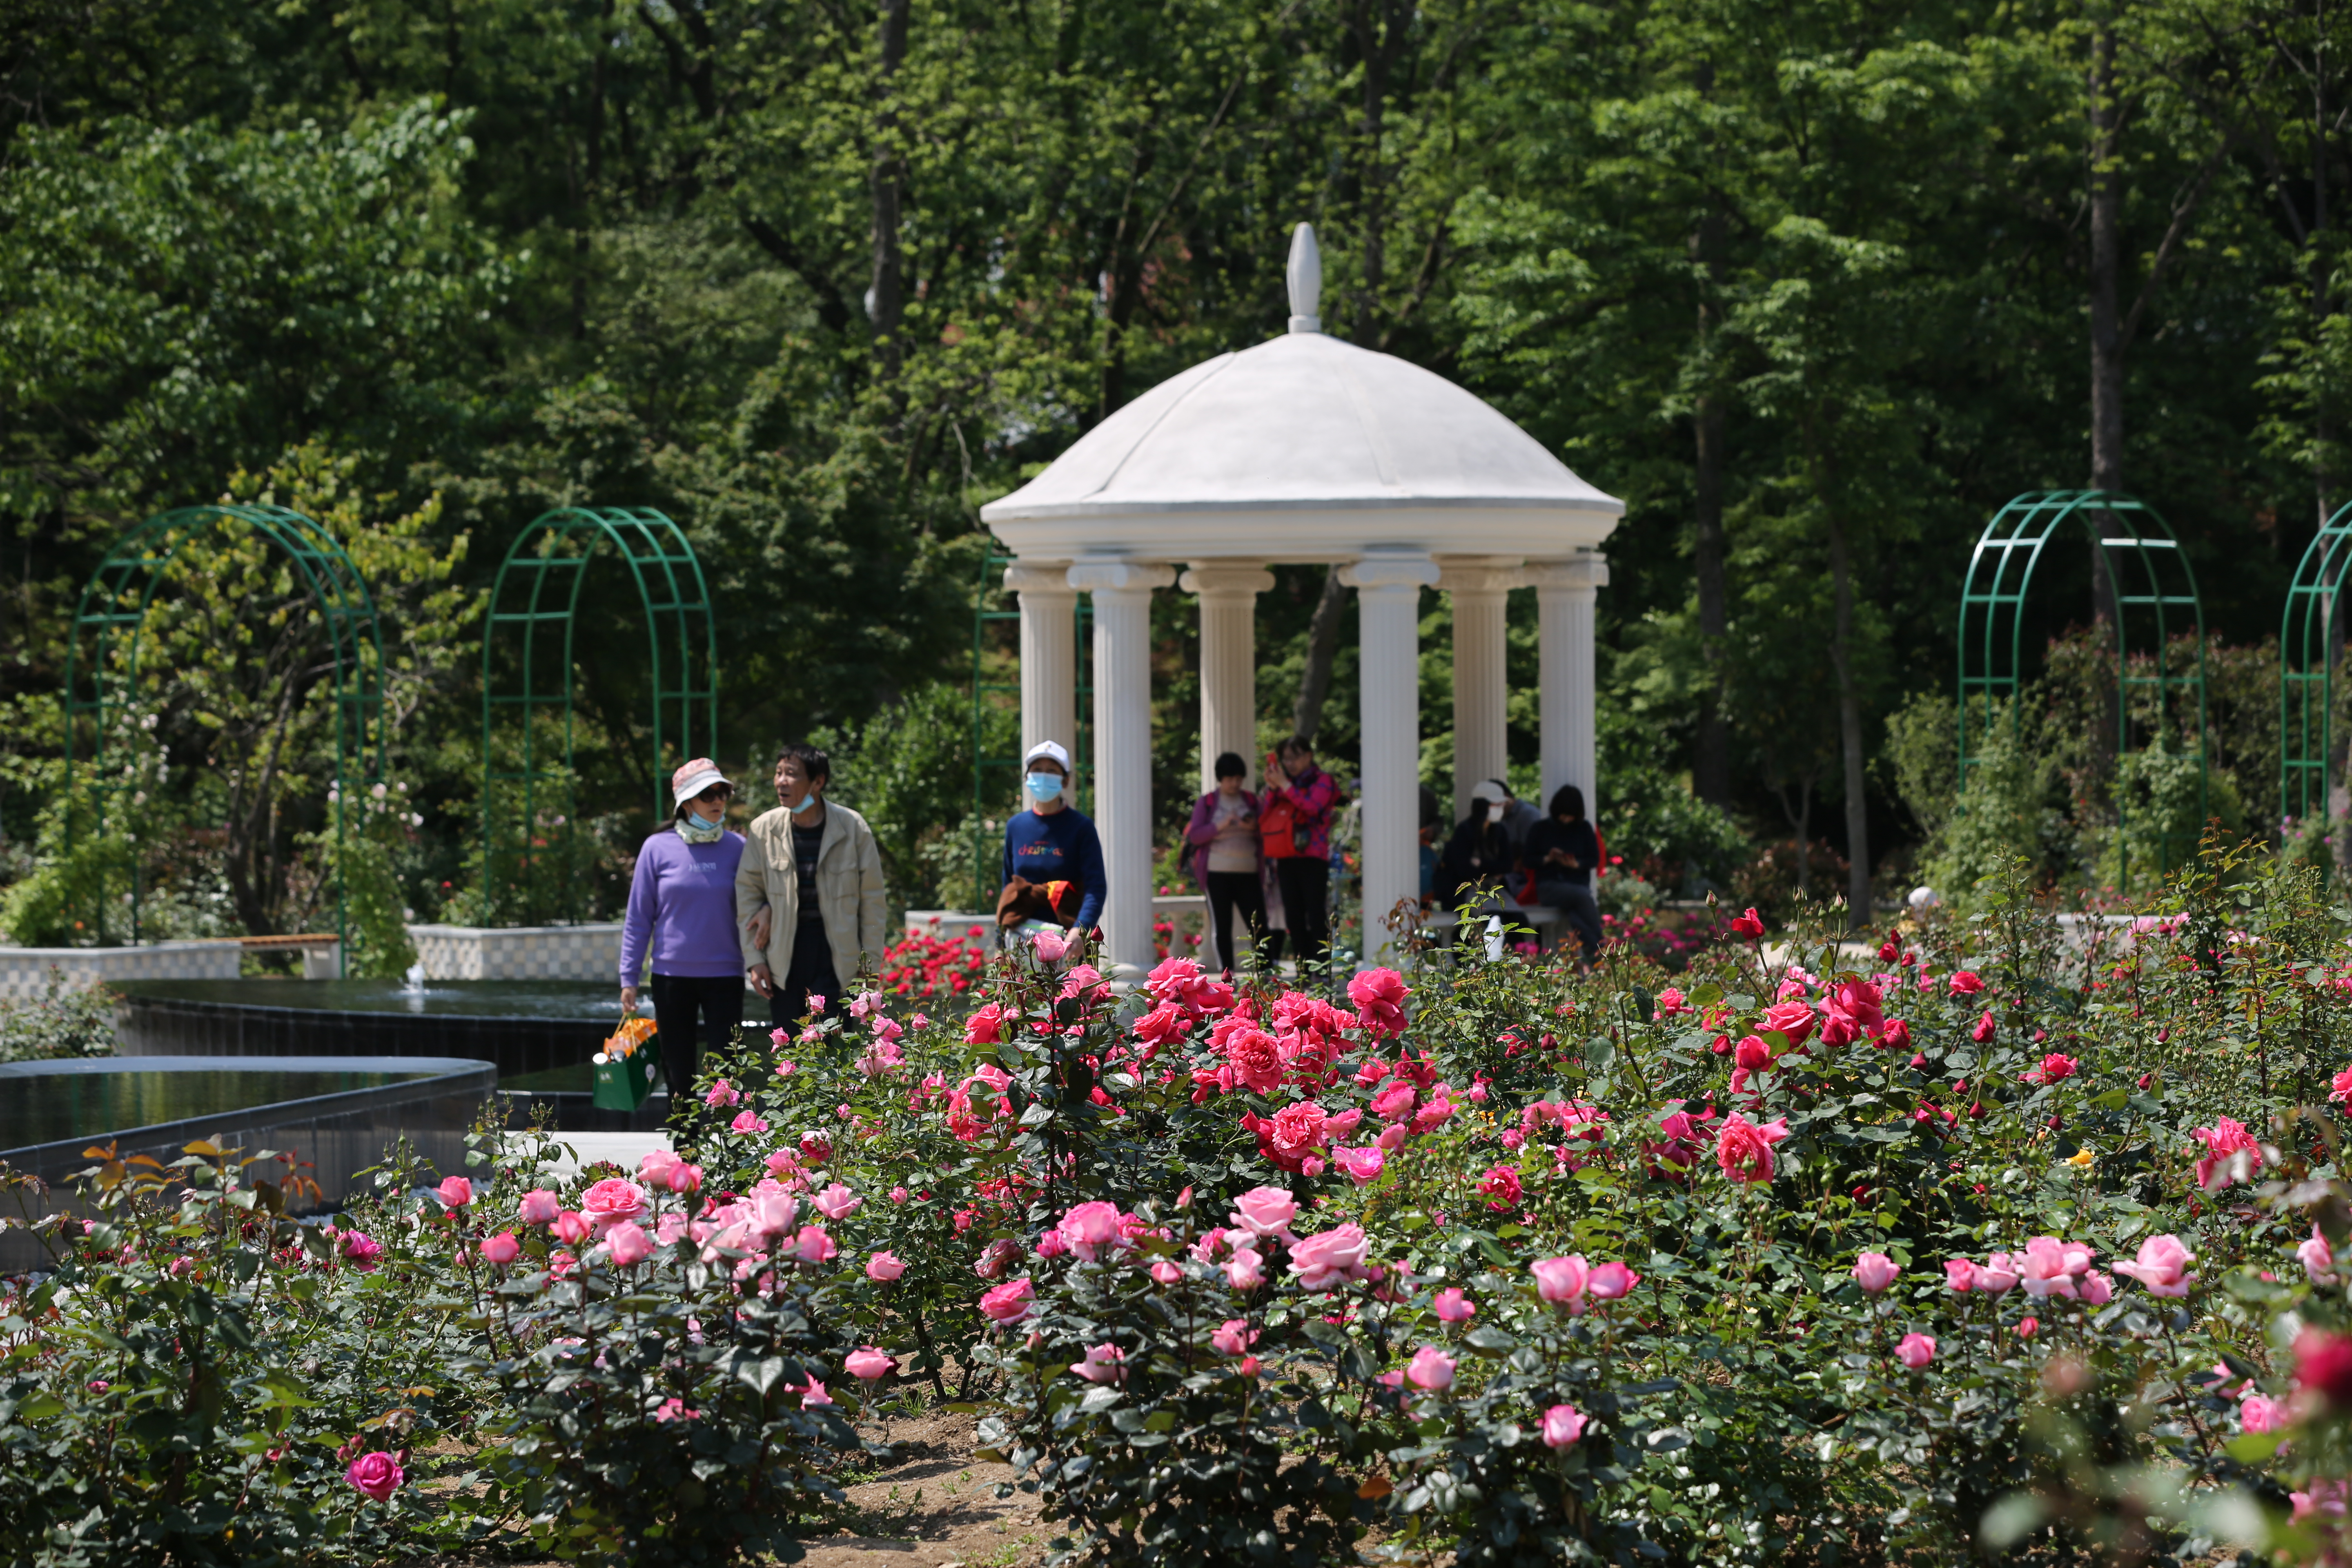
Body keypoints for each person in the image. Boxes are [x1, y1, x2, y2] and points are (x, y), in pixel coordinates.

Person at [619, 758, 746, 1110]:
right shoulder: (656, 848)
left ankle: (728, 1152)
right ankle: (685, 1158)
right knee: (678, 1074)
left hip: (726, 976)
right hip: (671, 978)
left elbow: (756, 906)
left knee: (727, 1073)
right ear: (686, 803)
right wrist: (629, 977)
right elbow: (638, 919)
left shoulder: (738, 847)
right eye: (708, 794)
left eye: (723, 792)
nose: (718, 800)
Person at [739, 742, 887, 1029]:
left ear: (818, 782)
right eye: (779, 773)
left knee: (834, 1051)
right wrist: (755, 960)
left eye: (791, 774)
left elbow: (872, 901)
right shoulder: (763, 829)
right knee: (790, 1051)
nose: (781, 781)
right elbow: (748, 894)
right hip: (783, 957)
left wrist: (869, 969)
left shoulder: (853, 827)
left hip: (836, 955)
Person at [1000, 741, 1106, 938]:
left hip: (1066, 939)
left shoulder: (1081, 827)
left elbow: (1096, 888)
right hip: (1021, 939)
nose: (1043, 776)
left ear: (1065, 780)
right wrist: (1000, 942)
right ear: (1027, 777)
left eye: (1052, 771)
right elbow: (1008, 889)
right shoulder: (1016, 826)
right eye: (1038, 770)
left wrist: (1080, 930)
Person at [1184, 752, 1270, 978]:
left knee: (1259, 925)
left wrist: (1251, 827)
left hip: (1249, 872)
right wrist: (1221, 825)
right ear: (1221, 778)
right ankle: (1227, 977)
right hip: (1217, 873)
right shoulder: (1208, 802)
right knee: (1223, 927)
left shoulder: (1252, 801)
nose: (1235, 783)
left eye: (1239, 779)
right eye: (1230, 778)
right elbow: (1195, 835)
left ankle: (1265, 974)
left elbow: (1267, 830)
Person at [1262, 735, 1341, 973]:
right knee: (1293, 916)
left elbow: (1313, 807)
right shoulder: (1285, 784)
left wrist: (1285, 785)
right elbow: (1265, 814)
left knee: (1315, 914)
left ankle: (1322, 970)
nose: (1290, 763)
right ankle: (1302, 971)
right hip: (1286, 856)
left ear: (1308, 756)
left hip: (1313, 857)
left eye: (1294, 757)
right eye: (1285, 759)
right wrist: (1272, 788)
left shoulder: (1323, 781)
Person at [1524, 784, 1604, 963]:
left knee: (1577, 919)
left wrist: (1576, 864)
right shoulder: (1540, 829)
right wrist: (1548, 858)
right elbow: (1528, 860)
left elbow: (1593, 859)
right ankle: (1603, 946)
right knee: (1583, 897)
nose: (1567, 819)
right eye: (1564, 815)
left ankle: (1597, 957)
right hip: (1550, 885)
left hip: (1575, 883)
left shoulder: (1583, 829)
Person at [1438, 780, 1516, 908]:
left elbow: (1508, 865)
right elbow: (1465, 870)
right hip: (1469, 892)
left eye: (1502, 805)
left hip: (1496, 889)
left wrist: (1481, 864)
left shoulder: (1501, 831)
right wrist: (1494, 869)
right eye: (1495, 805)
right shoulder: (1464, 831)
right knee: (1492, 918)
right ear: (1482, 806)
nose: (1500, 809)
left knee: (1519, 920)